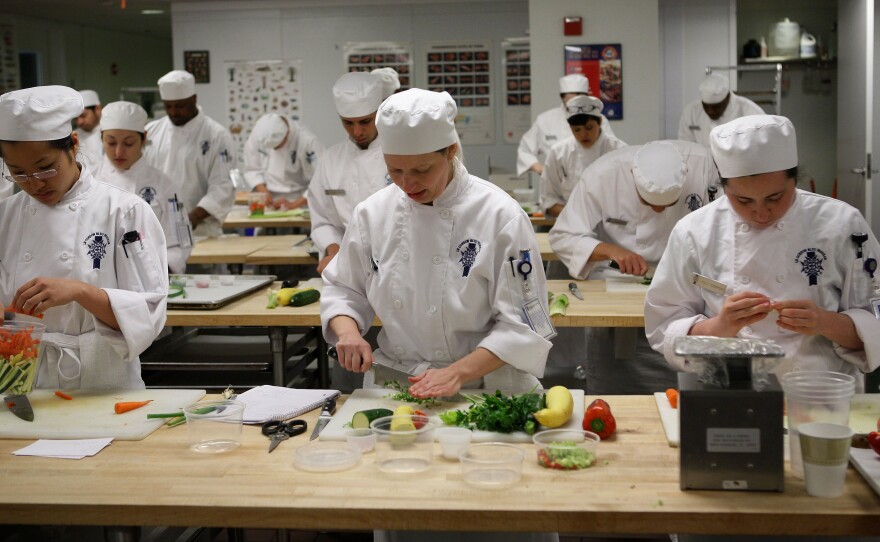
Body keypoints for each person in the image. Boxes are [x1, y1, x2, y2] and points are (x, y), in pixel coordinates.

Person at [321, 88, 553, 398]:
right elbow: (342, 288)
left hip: (485, 387)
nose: (407, 183)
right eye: (395, 170)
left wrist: (457, 372)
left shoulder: (500, 215)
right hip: (397, 384)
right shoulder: (372, 214)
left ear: (451, 150)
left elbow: (525, 323)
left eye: (421, 170)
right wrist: (348, 333)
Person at [646, 115, 880, 386]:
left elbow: (875, 315)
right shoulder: (693, 232)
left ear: (794, 179)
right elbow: (663, 324)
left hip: (821, 392)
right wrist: (718, 327)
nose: (760, 212)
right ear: (724, 188)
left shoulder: (841, 224)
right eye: (743, 200)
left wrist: (824, 322)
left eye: (775, 198)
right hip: (725, 393)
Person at [0, 86, 168, 389]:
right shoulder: (5, 216)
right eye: (18, 173)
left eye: (45, 168)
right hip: (18, 377)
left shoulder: (124, 212)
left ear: (73, 145)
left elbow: (149, 315)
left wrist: (80, 291)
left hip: (101, 381)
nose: (35, 184)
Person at [549, 140, 720, 394]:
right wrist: (611, 251)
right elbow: (563, 236)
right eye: (649, 203)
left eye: (668, 205)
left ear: (685, 176)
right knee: (613, 385)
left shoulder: (705, 167)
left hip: (688, 286)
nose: (658, 210)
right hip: (618, 282)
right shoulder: (602, 175)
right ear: (632, 175)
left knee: (689, 387)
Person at [93, 101, 193, 274]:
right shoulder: (89, 181)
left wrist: (159, 273)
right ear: (101, 138)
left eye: (129, 143)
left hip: (150, 277)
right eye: (110, 142)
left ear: (144, 138)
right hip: (99, 278)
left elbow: (181, 241)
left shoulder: (163, 185)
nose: (118, 152)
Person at [307, 72, 389, 274]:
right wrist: (332, 250)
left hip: (395, 263)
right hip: (347, 266)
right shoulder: (331, 160)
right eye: (348, 123)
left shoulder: (399, 154)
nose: (357, 131)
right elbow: (322, 221)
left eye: (365, 121)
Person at [143, 70, 235, 238]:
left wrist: (190, 218)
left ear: (194, 99)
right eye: (168, 106)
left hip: (200, 231)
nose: (174, 112)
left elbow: (222, 186)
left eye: (180, 106)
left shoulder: (217, 135)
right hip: (157, 230)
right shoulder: (151, 132)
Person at [540, 95, 627, 217]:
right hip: (571, 224)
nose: (583, 134)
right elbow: (548, 200)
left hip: (612, 224)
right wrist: (576, 216)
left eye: (589, 128)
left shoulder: (619, 151)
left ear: (600, 122)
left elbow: (630, 197)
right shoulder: (558, 154)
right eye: (577, 130)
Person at [517, 74, 615, 177]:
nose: (578, 98)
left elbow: (611, 151)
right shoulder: (545, 120)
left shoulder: (598, 119)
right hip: (559, 185)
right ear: (563, 97)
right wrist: (543, 171)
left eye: (582, 94)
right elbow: (525, 150)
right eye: (574, 94)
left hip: (592, 181)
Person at [242, 113, 324, 210]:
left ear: (287, 134)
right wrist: (263, 191)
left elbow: (320, 180)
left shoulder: (307, 141)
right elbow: (252, 168)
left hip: (301, 199)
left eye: (278, 146)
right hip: (269, 198)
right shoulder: (257, 135)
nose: (275, 150)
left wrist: (293, 205)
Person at [677, 73, 764, 149]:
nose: (711, 111)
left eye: (716, 107)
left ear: (727, 97)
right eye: (706, 106)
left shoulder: (750, 111)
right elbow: (685, 145)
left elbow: (760, 146)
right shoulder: (691, 112)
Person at [75, 89, 103, 169]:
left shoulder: (110, 132)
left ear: (97, 109)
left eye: (83, 116)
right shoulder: (73, 136)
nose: (79, 122)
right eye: (75, 119)